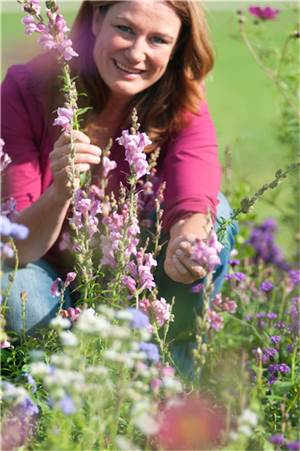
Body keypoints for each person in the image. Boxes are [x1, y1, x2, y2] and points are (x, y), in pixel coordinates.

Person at [1, 0, 237, 377]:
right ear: (96, 17)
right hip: (50, 281)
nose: (137, 52)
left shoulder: (182, 100)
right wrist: (60, 192)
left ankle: (167, 373)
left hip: (132, 281)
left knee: (217, 220)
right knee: (6, 283)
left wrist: (186, 247)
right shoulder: (26, 88)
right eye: (125, 28)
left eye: (158, 39)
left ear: (176, 48)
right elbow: (16, 249)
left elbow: (195, 201)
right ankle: (62, 378)